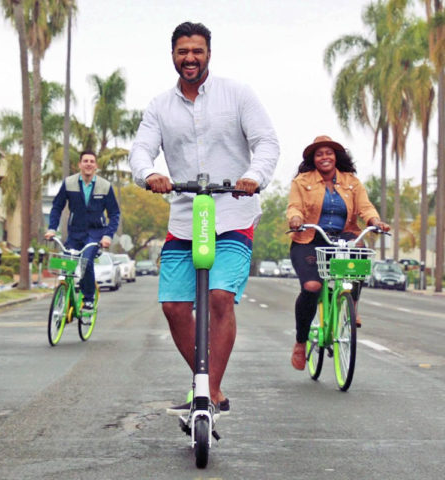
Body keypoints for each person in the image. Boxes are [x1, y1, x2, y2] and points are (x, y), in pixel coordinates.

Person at [129, 21, 279, 415]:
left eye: (197, 51)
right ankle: (205, 382)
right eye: (182, 52)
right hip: (184, 216)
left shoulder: (238, 94)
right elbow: (141, 150)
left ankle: (209, 391)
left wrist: (253, 177)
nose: (190, 58)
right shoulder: (159, 106)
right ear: (173, 55)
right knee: (174, 307)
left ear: (209, 53)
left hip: (232, 213)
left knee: (218, 296)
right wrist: (150, 174)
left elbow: (266, 142)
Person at [286, 135, 389, 370]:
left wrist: (375, 220)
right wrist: (295, 218)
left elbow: (365, 207)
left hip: (343, 235)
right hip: (310, 238)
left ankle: (352, 303)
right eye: (319, 154)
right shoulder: (302, 181)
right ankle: (301, 342)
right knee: (313, 287)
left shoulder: (351, 181)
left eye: (329, 153)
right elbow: (294, 206)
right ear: (313, 159)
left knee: (360, 252)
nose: (325, 157)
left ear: (336, 157)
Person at [44, 150, 120, 310]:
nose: (88, 164)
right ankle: (65, 294)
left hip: (95, 234)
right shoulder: (69, 183)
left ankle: (88, 299)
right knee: (66, 264)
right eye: (85, 161)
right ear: (79, 165)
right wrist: (52, 228)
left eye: (92, 161)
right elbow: (57, 207)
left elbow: (114, 213)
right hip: (75, 233)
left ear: (96, 166)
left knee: (86, 262)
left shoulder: (105, 186)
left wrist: (108, 235)